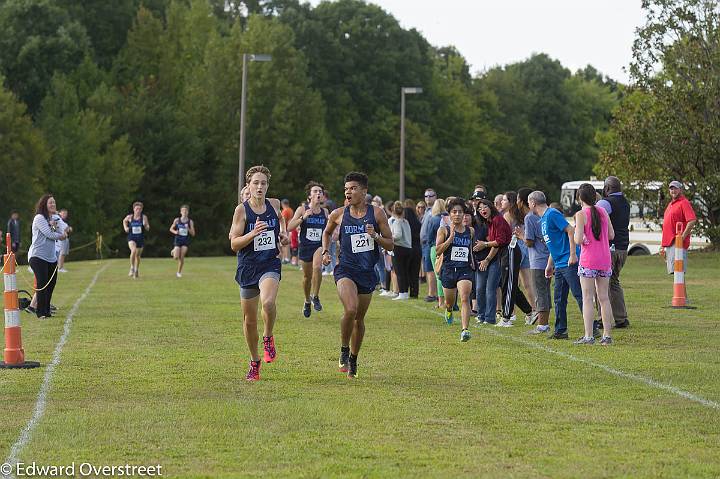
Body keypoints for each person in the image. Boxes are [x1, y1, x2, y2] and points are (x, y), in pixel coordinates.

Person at [322, 172, 393, 379]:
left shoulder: (377, 214)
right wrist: (326, 252)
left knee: (359, 319)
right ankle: (344, 349)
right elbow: (326, 233)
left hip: (367, 272)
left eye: (353, 188)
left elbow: (390, 243)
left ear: (364, 191)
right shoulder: (339, 213)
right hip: (345, 268)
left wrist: (376, 236)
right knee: (350, 309)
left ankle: (353, 357)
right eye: (346, 189)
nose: (348, 192)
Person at [229, 165, 288, 381]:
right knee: (249, 321)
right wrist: (253, 233)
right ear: (249, 186)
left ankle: (268, 336)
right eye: (256, 183)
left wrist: (282, 235)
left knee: (269, 303)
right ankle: (254, 361)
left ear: (267, 186)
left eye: (263, 183)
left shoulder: (274, 204)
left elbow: (280, 222)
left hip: (269, 264)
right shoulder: (241, 211)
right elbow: (234, 244)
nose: (260, 186)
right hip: (248, 267)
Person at [534, 191, 583, 340]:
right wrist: (550, 264)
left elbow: (571, 230)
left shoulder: (552, 214)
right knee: (559, 299)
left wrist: (573, 254)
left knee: (579, 295)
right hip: (559, 264)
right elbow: (553, 244)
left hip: (568, 261)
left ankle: (592, 329)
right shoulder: (542, 219)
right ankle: (561, 331)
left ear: (533, 203)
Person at [573, 183, 615, 345]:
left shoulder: (581, 214)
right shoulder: (603, 211)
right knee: (604, 298)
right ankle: (607, 335)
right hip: (604, 259)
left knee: (588, 298)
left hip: (588, 260)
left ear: (580, 198)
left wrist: (583, 236)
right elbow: (611, 234)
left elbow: (577, 239)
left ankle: (589, 335)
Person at [287, 181, 329, 317]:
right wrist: (302, 218)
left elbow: (329, 230)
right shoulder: (302, 209)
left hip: (319, 245)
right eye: (315, 191)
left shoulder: (325, 212)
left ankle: (315, 296)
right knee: (307, 277)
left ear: (323, 196)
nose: (318, 194)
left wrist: (333, 234)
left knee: (317, 268)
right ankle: (307, 300)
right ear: (309, 196)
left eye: (320, 192)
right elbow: (289, 227)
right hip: (305, 246)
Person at [436, 198, 475, 341]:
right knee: (449, 302)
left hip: (464, 269)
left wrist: (472, 262)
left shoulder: (470, 231)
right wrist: (450, 238)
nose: (458, 214)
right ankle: (449, 310)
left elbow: (469, 249)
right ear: (450, 214)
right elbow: (438, 250)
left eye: (460, 212)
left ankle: (465, 330)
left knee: (465, 297)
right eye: (454, 212)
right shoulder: (443, 230)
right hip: (448, 270)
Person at [597, 176, 631, 328]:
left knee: (601, 283)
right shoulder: (625, 203)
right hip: (623, 248)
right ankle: (621, 318)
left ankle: (601, 319)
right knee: (614, 282)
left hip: (608, 249)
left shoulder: (605, 203)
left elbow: (594, 219)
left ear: (607, 188)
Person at [28, 194, 66, 318]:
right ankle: (40, 312)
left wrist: (55, 227)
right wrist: (60, 235)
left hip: (51, 257)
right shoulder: (39, 218)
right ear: (44, 204)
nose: (53, 205)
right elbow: (50, 234)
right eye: (50, 203)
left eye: (54, 202)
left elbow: (60, 231)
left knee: (51, 284)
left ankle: (46, 311)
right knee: (42, 284)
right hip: (38, 256)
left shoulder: (54, 218)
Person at [498, 191, 533, 327]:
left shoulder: (508, 215)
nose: (502, 202)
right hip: (521, 248)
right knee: (516, 283)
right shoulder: (520, 215)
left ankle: (506, 316)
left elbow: (503, 237)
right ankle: (530, 311)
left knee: (509, 283)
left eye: (504, 200)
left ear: (511, 202)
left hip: (512, 249)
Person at [473, 199, 510, 325]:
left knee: (491, 288)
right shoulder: (488, 222)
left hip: (502, 256)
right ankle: (482, 316)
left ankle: (490, 318)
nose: (482, 210)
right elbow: (494, 242)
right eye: (480, 208)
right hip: (492, 257)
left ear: (491, 207)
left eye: (485, 207)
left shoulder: (497, 219)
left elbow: (499, 242)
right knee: (480, 288)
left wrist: (485, 246)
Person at [520, 191, 552, 335]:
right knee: (546, 291)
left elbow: (530, 241)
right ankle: (545, 322)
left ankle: (542, 325)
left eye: (528, 202)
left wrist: (521, 236)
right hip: (550, 258)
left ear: (533, 202)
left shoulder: (529, 217)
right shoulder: (549, 213)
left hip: (538, 260)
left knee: (540, 292)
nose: (528, 204)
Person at [659, 180, 697, 290]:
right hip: (669, 244)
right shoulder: (670, 204)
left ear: (680, 189)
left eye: (675, 188)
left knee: (679, 272)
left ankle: (681, 299)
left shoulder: (684, 202)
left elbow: (692, 220)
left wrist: (681, 238)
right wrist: (663, 245)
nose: (673, 190)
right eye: (671, 188)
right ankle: (681, 298)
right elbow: (667, 225)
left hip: (678, 243)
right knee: (676, 272)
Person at [389, 201, 412, 301]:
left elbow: (398, 235)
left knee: (399, 272)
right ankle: (405, 292)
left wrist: (390, 239)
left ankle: (402, 292)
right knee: (405, 272)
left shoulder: (397, 221)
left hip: (399, 249)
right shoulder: (405, 221)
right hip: (408, 248)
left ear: (393, 211)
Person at [428, 198, 449, 308]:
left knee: (438, 275)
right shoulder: (448, 218)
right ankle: (449, 301)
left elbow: (429, 235)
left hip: (435, 247)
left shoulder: (433, 219)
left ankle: (441, 302)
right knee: (447, 274)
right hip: (448, 247)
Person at [420, 188, 438, 302]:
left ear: (435, 196)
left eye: (430, 196)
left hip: (430, 243)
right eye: (426, 196)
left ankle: (432, 294)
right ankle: (431, 292)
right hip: (425, 244)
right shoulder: (427, 210)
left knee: (431, 269)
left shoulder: (435, 211)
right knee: (427, 269)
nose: (428, 198)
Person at [123, 202, 150, 279]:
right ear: (133, 209)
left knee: (138, 256)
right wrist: (125, 228)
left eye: (139, 209)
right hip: (131, 237)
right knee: (133, 251)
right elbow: (124, 221)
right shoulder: (130, 217)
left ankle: (136, 270)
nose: (138, 210)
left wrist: (145, 225)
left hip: (140, 238)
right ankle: (132, 268)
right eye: (136, 209)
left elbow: (148, 228)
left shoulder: (144, 217)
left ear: (141, 210)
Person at [169, 205, 196, 278]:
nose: (184, 212)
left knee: (182, 256)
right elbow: (171, 229)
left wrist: (188, 229)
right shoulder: (177, 220)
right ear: (180, 212)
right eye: (183, 211)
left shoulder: (190, 222)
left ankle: (179, 272)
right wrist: (175, 232)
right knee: (176, 257)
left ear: (188, 212)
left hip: (185, 241)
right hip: (178, 240)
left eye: (186, 211)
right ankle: (174, 251)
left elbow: (193, 234)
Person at [404, 198, 422, 298]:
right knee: (415, 272)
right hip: (417, 248)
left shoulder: (404, 222)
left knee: (405, 271)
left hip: (407, 247)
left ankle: (404, 291)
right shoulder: (417, 222)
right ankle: (414, 292)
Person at [55, 209, 72, 273]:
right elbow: (66, 229)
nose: (65, 215)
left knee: (63, 253)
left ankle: (60, 267)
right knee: (61, 253)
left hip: (64, 239)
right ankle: (60, 268)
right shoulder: (58, 220)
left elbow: (68, 229)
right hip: (61, 239)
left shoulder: (61, 221)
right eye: (63, 213)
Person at [280, 199, 294, 264]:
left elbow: (283, 220)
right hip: (290, 228)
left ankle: (285, 258)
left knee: (284, 244)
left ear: (283, 204)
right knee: (288, 244)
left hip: (285, 229)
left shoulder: (285, 211)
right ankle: (288, 257)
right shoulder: (291, 210)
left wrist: (282, 230)